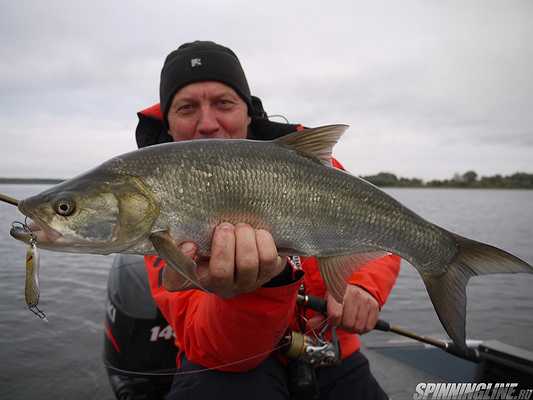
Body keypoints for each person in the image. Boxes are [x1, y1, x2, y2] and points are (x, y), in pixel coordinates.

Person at [136, 40, 400, 399]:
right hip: (234, 364)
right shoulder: (152, 196)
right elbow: (207, 344)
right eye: (186, 108)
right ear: (168, 125)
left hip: (328, 350)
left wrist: (364, 285)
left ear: (248, 112)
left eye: (224, 103)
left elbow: (385, 231)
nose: (208, 123)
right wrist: (242, 295)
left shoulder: (314, 167)